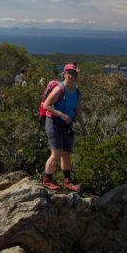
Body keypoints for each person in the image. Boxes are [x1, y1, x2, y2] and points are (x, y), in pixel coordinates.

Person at [41, 63, 88, 192]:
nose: (71, 76)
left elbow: (77, 109)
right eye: (69, 73)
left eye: (74, 74)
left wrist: (83, 127)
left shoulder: (76, 90)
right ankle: (47, 180)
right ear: (64, 74)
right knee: (56, 153)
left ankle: (67, 181)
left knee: (66, 154)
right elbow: (46, 105)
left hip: (68, 125)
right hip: (54, 123)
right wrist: (62, 115)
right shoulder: (59, 89)